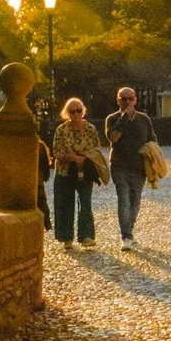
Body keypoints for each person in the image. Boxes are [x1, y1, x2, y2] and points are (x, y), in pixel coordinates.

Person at [103, 86, 157, 249]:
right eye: (123, 99)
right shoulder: (112, 119)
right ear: (118, 100)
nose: (127, 102)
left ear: (135, 100)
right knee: (124, 201)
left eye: (130, 99)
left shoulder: (144, 119)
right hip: (119, 166)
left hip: (139, 167)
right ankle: (126, 236)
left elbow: (152, 139)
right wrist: (124, 117)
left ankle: (129, 231)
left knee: (135, 202)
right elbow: (113, 138)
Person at [51, 97, 107, 248]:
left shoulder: (91, 129)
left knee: (85, 203)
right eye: (72, 111)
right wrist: (73, 158)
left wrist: (85, 158)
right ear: (67, 113)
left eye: (79, 111)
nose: (76, 114)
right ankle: (66, 238)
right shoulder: (61, 130)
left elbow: (97, 149)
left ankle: (86, 236)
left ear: (83, 112)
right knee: (65, 204)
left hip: (85, 171)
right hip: (65, 171)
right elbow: (56, 152)